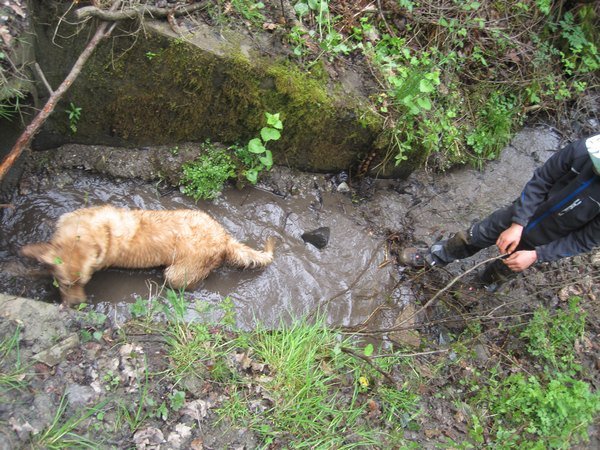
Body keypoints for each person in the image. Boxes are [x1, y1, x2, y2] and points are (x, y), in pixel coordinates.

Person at [400, 133, 600, 287]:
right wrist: (518, 222)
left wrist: (537, 255)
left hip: (547, 239)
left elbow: (583, 240)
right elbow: (542, 180)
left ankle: (480, 286)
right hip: (521, 212)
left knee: (506, 268)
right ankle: (435, 256)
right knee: (474, 235)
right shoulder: (583, 150)